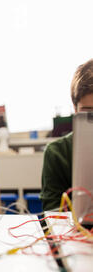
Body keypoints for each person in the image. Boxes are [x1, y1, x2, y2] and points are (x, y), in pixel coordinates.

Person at [40, 58, 93, 211]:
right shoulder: (57, 152)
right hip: (76, 232)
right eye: (88, 113)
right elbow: (51, 213)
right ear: (75, 109)